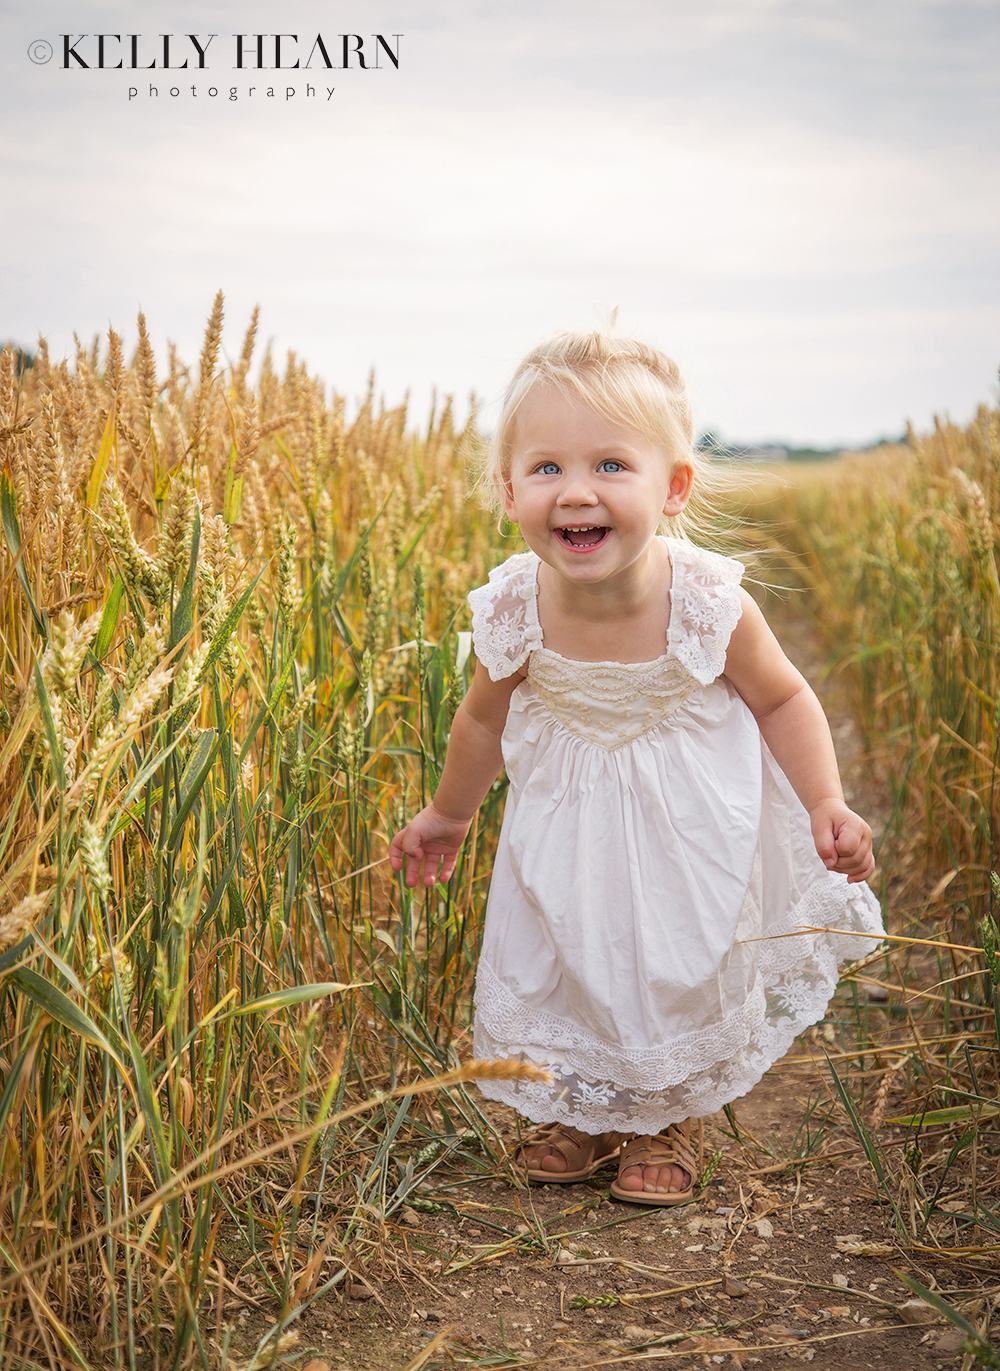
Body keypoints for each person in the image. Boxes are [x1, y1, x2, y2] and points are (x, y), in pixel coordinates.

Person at [389, 331, 883, 1205]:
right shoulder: (514, 606)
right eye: (545, 468)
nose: (575, 490)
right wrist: (449, 815)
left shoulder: (705, 603)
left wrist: (825, 800)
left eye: (611, 464)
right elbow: (481, 717)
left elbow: (781, 699)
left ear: (675, 488)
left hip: (684, 828)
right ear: (509, 490)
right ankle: (574, 1107)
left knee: (672, 954)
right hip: (564, 823)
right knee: (566, 945)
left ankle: (663, 1112)